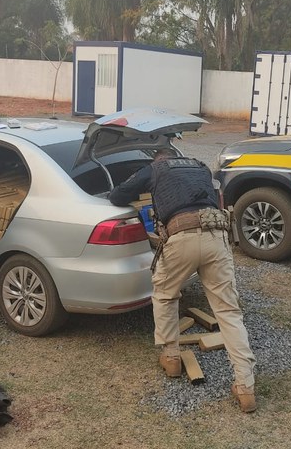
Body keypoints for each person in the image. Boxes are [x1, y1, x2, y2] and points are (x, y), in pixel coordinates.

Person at [109, 149, 257, 413]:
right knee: (228, 312)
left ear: (158, 159)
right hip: (217, 235)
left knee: (165, 294)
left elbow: (119, 194)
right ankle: (245, 386)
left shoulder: (155, 169)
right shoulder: (200, 165)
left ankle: (172, 357)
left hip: (181, 235)